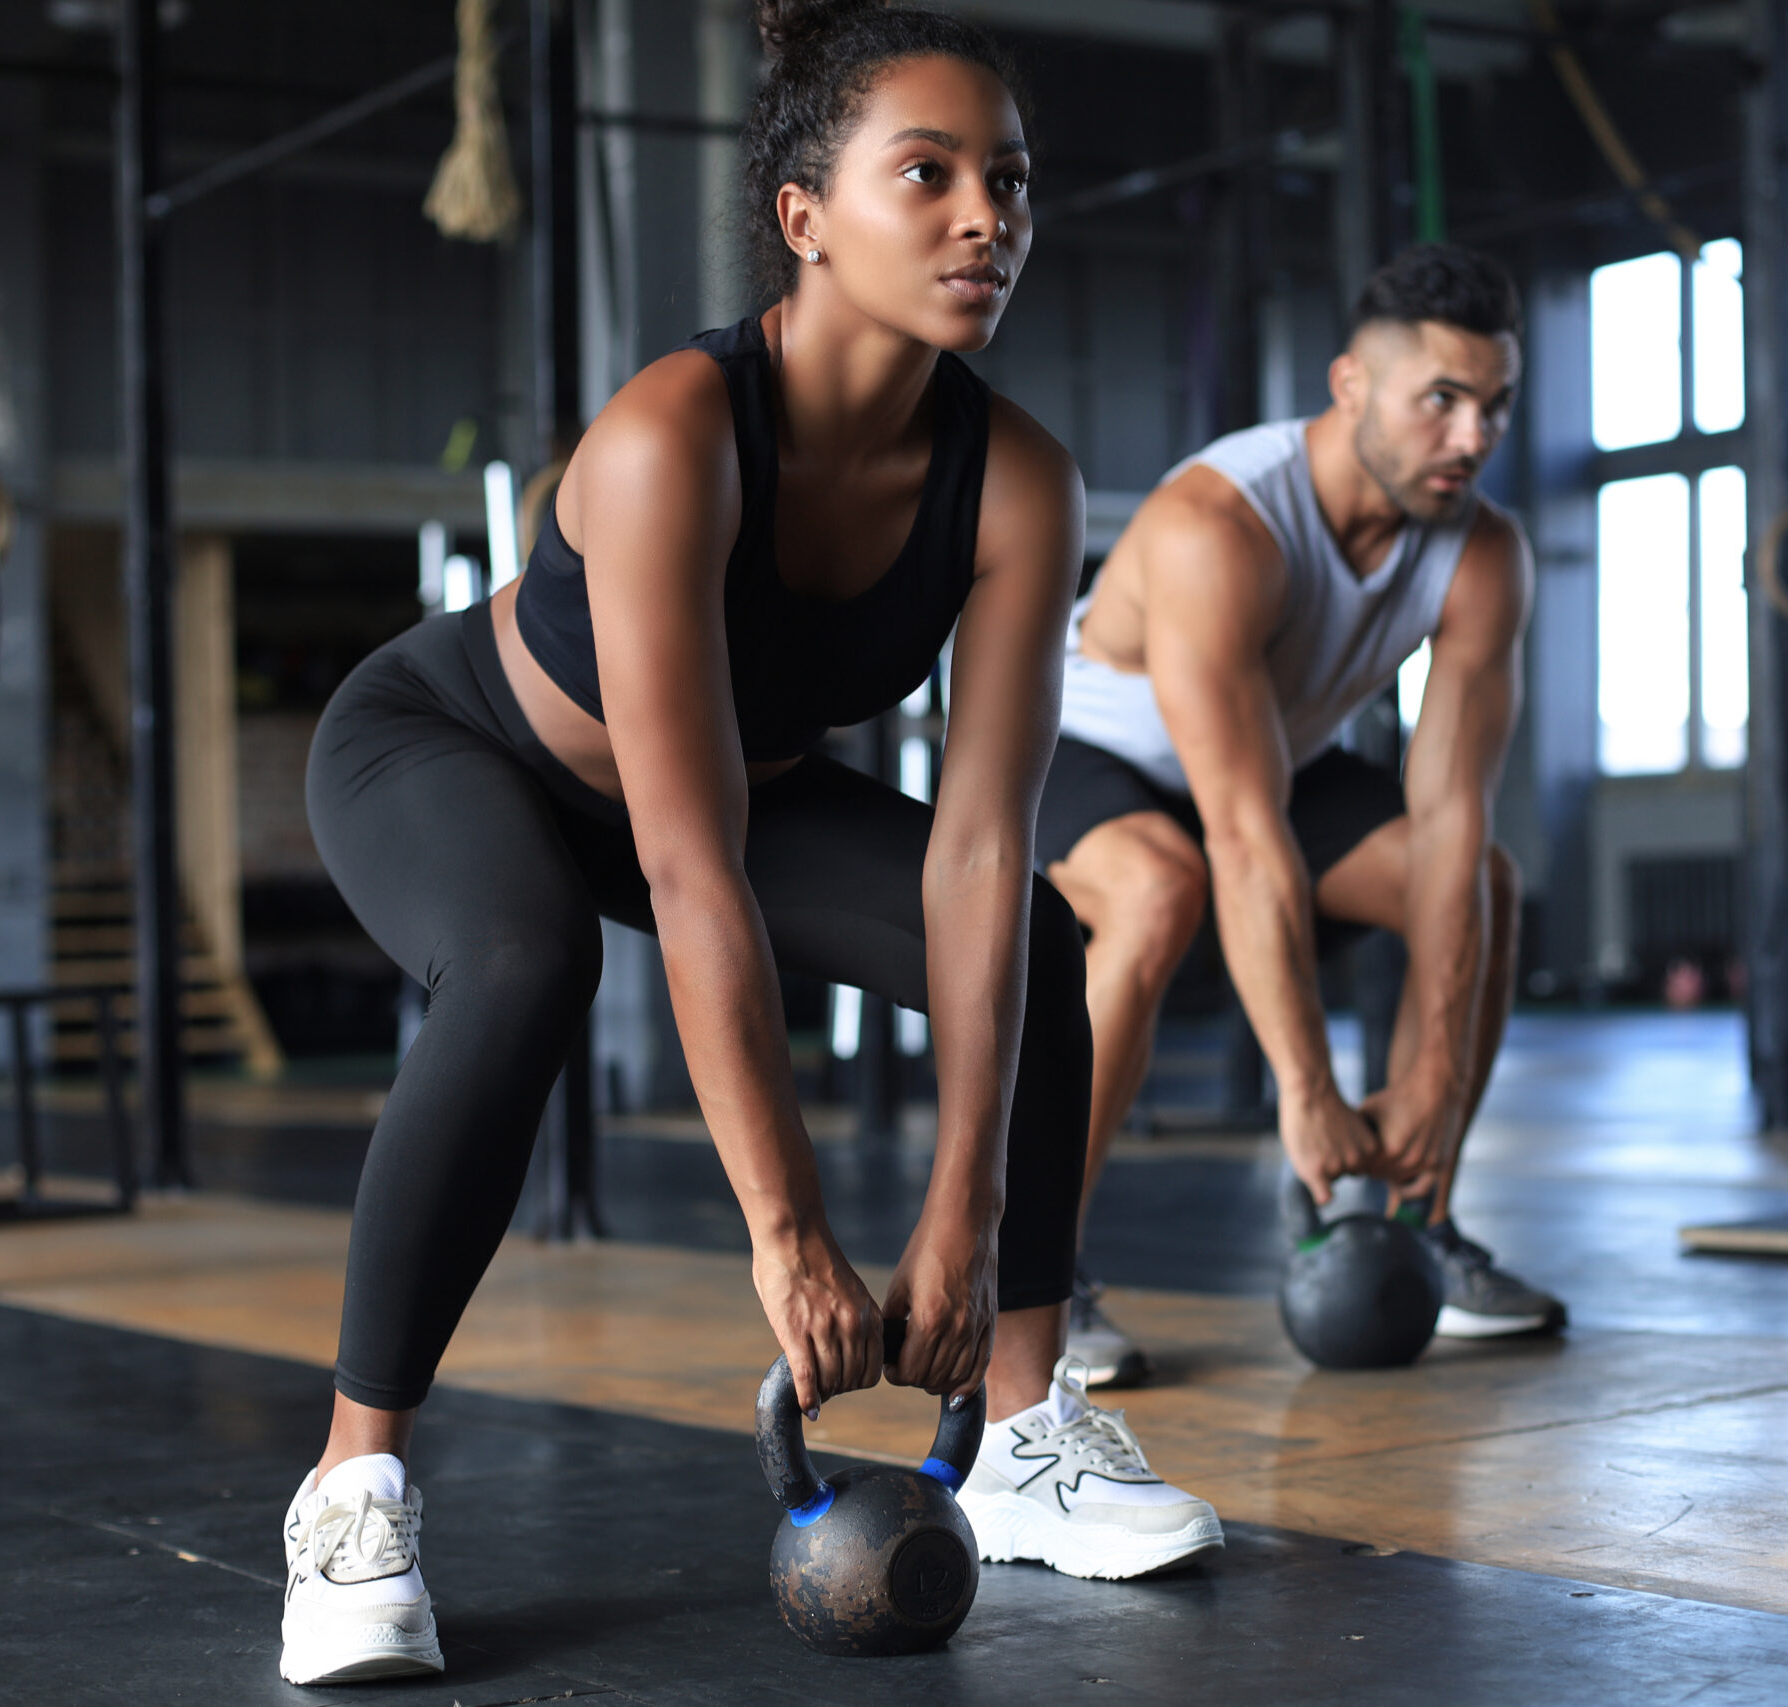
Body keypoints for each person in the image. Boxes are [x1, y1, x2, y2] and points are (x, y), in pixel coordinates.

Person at [281, 2, 1219, 1685]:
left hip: (739, 784)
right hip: (456, 745)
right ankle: (354, 1484)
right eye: (925, 174)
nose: (985, 217)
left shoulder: (1013, 481)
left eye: (1008, 179)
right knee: (521, 962)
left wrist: (964, 1215)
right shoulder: (674, 436)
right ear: (805, 217)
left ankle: (1020, 1429)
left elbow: (977, 849)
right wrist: (788, 1236)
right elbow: (686, 865)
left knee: (1052, 941)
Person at [1042, 244, 1561, 1387]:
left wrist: (1427, 1078)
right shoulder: (1217, 527)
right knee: (1159, 886)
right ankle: (1035, 1272)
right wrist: (1308, 1092)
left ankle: (1422, 1221)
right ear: (1350, 388)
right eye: (1441, 402)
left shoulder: (1482, 554)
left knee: (1487, 879)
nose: (1474, 438)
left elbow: (1453, 819)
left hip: (1276, 761)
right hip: (1090, 751)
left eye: (1495, 406)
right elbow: (1244, 835)